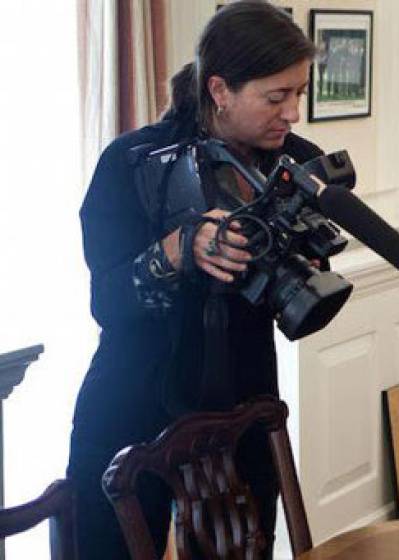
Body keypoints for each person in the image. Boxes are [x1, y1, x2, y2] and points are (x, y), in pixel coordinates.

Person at [67, 2, 321, 557]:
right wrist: (178, 250)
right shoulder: (130, 162)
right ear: (220, 90)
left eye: (300, 93)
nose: (293, 114)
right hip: (130, 407)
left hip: (244, 409)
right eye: (276, 97)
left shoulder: (296, 167)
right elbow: (108, 301)